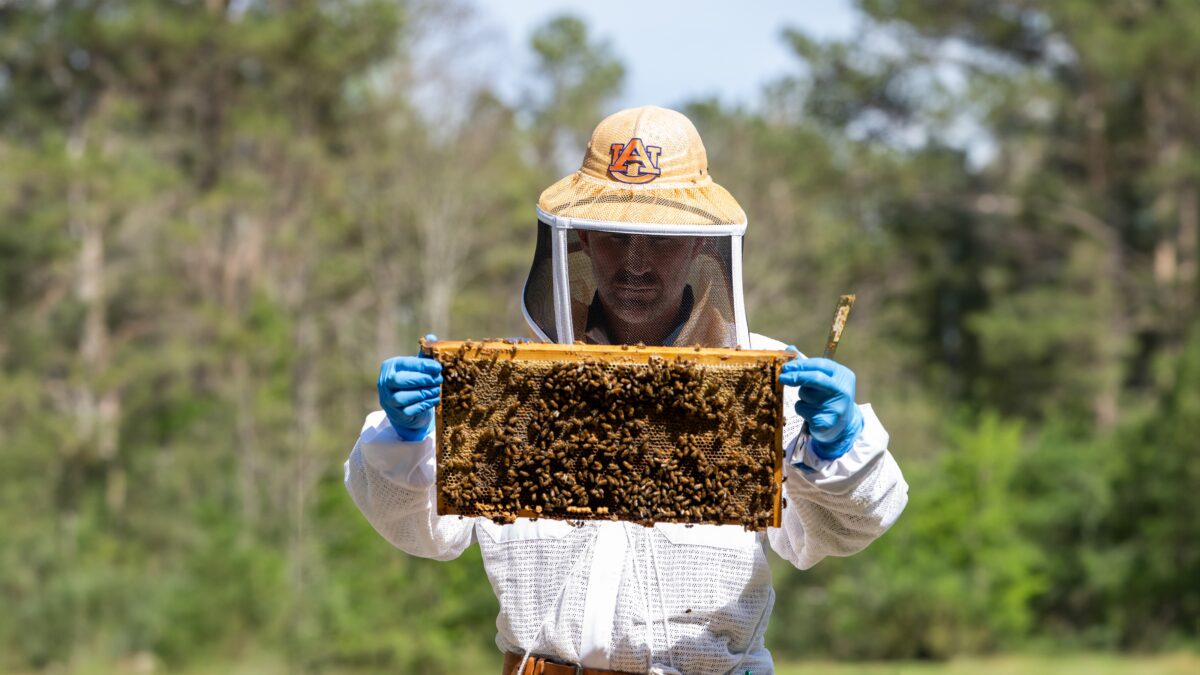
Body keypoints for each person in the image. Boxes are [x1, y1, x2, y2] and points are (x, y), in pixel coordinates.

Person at [345, 106, 908, 675]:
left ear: (698, 245)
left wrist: (837, 448)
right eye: (616, 236)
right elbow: (424, 533)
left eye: (659, 239)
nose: (635, 262)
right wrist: (405, 440)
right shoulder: (511, 385)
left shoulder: (762, 382)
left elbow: (841, 530)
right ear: (582, 239)